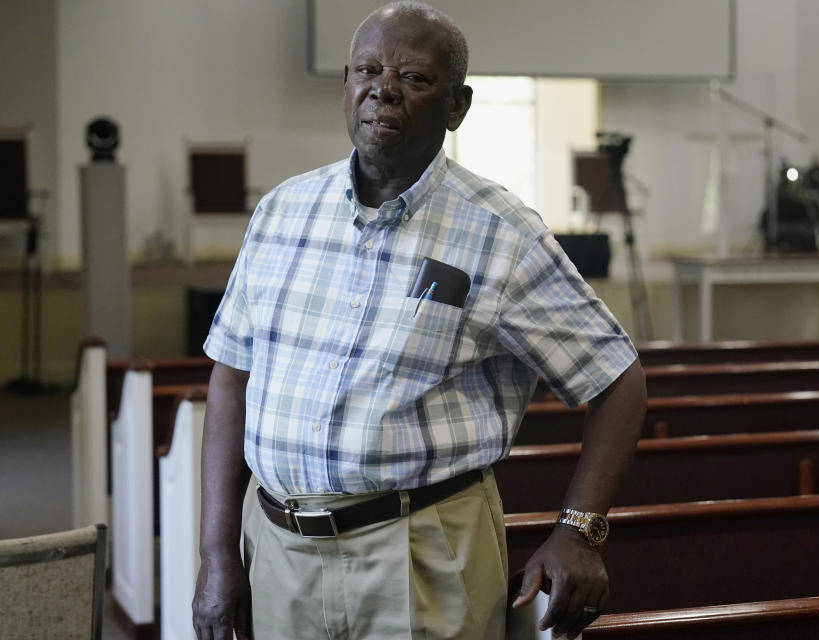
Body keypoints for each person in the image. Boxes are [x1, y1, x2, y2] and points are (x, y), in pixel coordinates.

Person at [192, 2, 647, 639]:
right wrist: (216, 558)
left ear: (457, 106)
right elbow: (230, 381)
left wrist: (580, 531)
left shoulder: (500, 232)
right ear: (346, 86)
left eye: (414, 78)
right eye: (368, 70)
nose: (384, 89)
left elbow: (618, 380)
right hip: (278, 549)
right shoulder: (281, 213)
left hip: (422, 552)